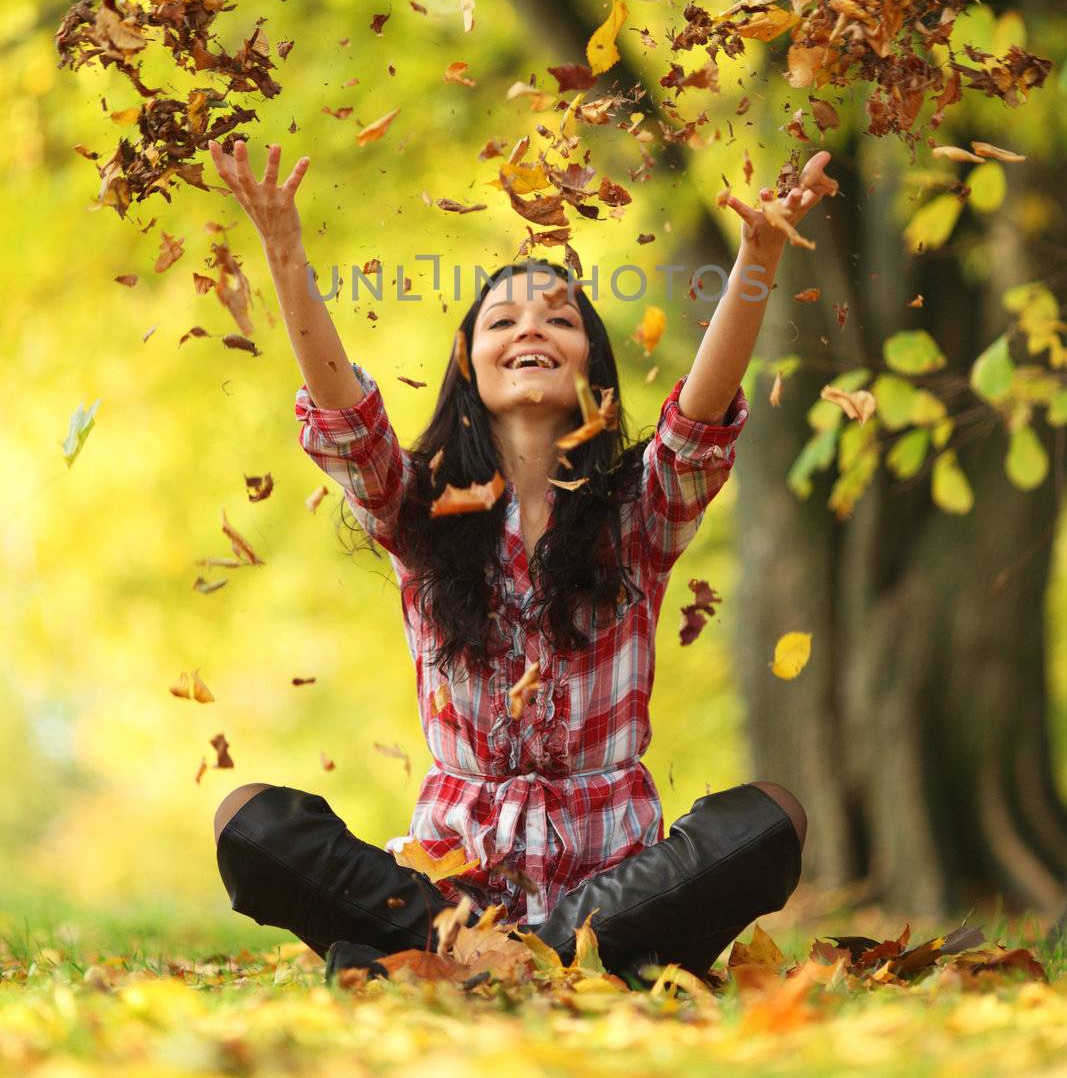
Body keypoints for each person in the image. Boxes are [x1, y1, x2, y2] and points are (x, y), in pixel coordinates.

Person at [206, 136, 837, 983]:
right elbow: (345, 416)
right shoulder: (418, 512)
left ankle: (534, 961)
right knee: (248, 820)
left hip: (610, 897)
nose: (530, 326)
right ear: (469, 370)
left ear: (591, 371)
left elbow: (699, 417)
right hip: (450, 905)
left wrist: (757, 255)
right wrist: (283, 248)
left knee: (771, 818)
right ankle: (490, 958)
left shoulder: (637, 516)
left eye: (559, 319)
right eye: (502, 320)